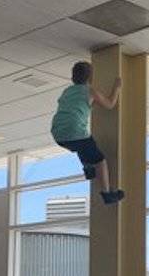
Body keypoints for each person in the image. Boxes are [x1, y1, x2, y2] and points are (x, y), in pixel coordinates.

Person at [51, 61, 125, 205]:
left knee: (83, 144)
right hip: (75, 132)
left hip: (58, 134)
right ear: (90, 78)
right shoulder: (90, 91)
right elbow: (110, 104)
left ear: (73, 78)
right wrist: (117, 87)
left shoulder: (66, 91)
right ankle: (107, 194)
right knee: (99, 159)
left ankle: (88, 168)